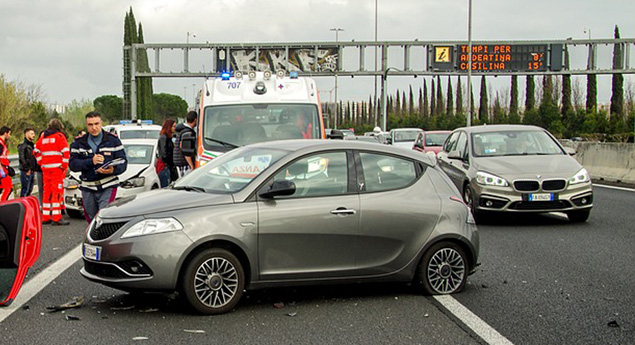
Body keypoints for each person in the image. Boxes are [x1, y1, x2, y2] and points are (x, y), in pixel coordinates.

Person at [69, 111, 127, 223]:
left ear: (101, 123)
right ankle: (93, 239)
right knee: (91, 220)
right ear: (86, 125)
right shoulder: (79, 143)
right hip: (88, 186)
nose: (94, 127)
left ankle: (106, 240)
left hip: (108, 185)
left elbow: (123, 162)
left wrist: (112, 170)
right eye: (90, 125)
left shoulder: (113, 140)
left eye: (96, 124)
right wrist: (91, 161)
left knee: (104, 216)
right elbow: (73, 165)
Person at [33, 119, 69, 225]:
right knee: (56, 193)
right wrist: (63, 167)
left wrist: (41, 162)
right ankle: (57, 218)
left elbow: (35, 150)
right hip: (56, 170)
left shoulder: (43, 136)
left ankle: (46, 216)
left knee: (46, 193)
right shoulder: (59, 136)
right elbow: (66, 153)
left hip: (46, 169)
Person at [173, 111, 197, 177]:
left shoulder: (182, 130)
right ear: (195, 120)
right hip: (184, 163)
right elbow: (186, 151)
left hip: (179, 161)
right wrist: (191, 166)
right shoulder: (188, 133)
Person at [18, 128, 37, 197]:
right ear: (26, 134)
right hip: (26, 171)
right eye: (32, 134)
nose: (33, 135)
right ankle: (22, 205)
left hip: (31, 170)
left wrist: (34, 168)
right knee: (25, 189)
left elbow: (33, 158)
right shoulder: (23, 146)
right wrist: (27, 169)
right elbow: (22, 158)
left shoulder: (31, 146)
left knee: (29, 189)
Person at [157, 118, 176, 188]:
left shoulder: (168, 138)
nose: (174, 128)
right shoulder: (164, 138)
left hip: (168, 166)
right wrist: (171, 161)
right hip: (164, 166)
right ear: (169, 127)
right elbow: (164, 153)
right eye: (173, 126)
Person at [0, 126, 13, 201]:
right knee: (8, 188)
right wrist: (1, 170)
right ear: (5, 133)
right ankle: (3, 205)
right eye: (9, 134)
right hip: (2, 169)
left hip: (4, 168)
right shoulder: (0, 144)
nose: (9, 136)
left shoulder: (2, 143)